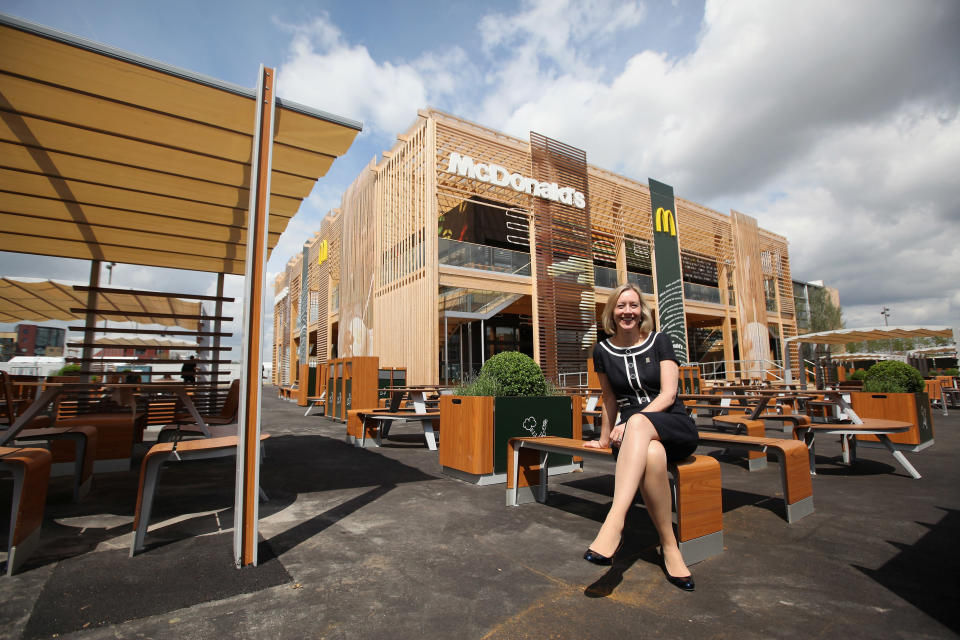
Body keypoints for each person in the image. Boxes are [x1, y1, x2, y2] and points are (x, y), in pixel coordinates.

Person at [583, 282, 699, 591]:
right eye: (621, 306)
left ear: (642, 311)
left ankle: (614, 522)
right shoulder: (602, 350)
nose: (627, 312)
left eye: (633, 305)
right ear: (612, 311)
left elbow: (669, 393)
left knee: (637, 424)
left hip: (671, 422)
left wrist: (636, 419)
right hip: (636, 440)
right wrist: (604, 439)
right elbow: (608, 399)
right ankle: (670, 547)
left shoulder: (661, 340)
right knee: (652, 455)